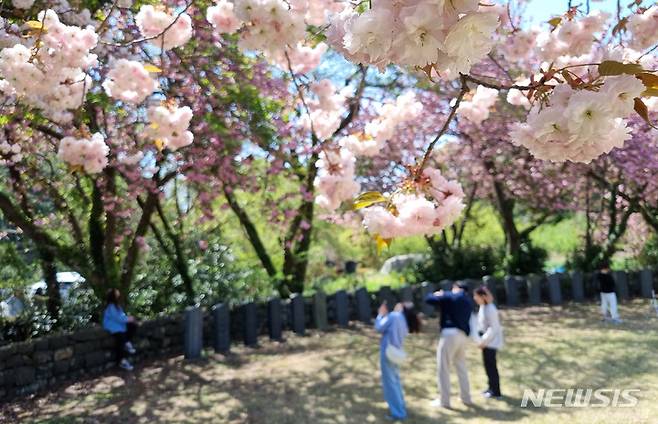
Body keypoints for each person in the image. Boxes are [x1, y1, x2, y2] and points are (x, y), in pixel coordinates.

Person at [425, 282, 474, 409]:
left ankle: (444, 401)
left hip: (449, 335)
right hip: (463, 336)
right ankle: (466, 397)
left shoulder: (450, 295)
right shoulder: (468, 301)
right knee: (461, 367)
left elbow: (429, 299)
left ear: (456, 288)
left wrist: (438, 294)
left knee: (443, 368)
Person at [375, 301, 420, 421]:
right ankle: (400, 407)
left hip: (388, 353)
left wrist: (380, 314)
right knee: (395, 382)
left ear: (402, 308)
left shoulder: (394, 316)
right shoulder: (404, 320)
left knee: (390, 384)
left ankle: (398, 413)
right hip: (396, 354)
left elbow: (379, 327)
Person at [473, 286, 504, 399]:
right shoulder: (483, 307)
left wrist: (484, 341)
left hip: (491, 342)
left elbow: (493, 328)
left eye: (476, 296)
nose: (475, 298)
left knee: (491, 367)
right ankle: (490, 388)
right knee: (488, 366)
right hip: (486, 341)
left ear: (483, 296)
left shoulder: (491, 308)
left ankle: (496, 391)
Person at [103, 288, 138, 371]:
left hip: (119, 325)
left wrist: (129, 319)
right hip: (113, 327)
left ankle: (127, 342)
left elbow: (121, 316)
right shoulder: (111, 306)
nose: (119, 294)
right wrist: (128, 319)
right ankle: (122, 361)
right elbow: (118, 318)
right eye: (116, 293)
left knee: (133, 326)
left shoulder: (116, 306)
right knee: (121, 339)